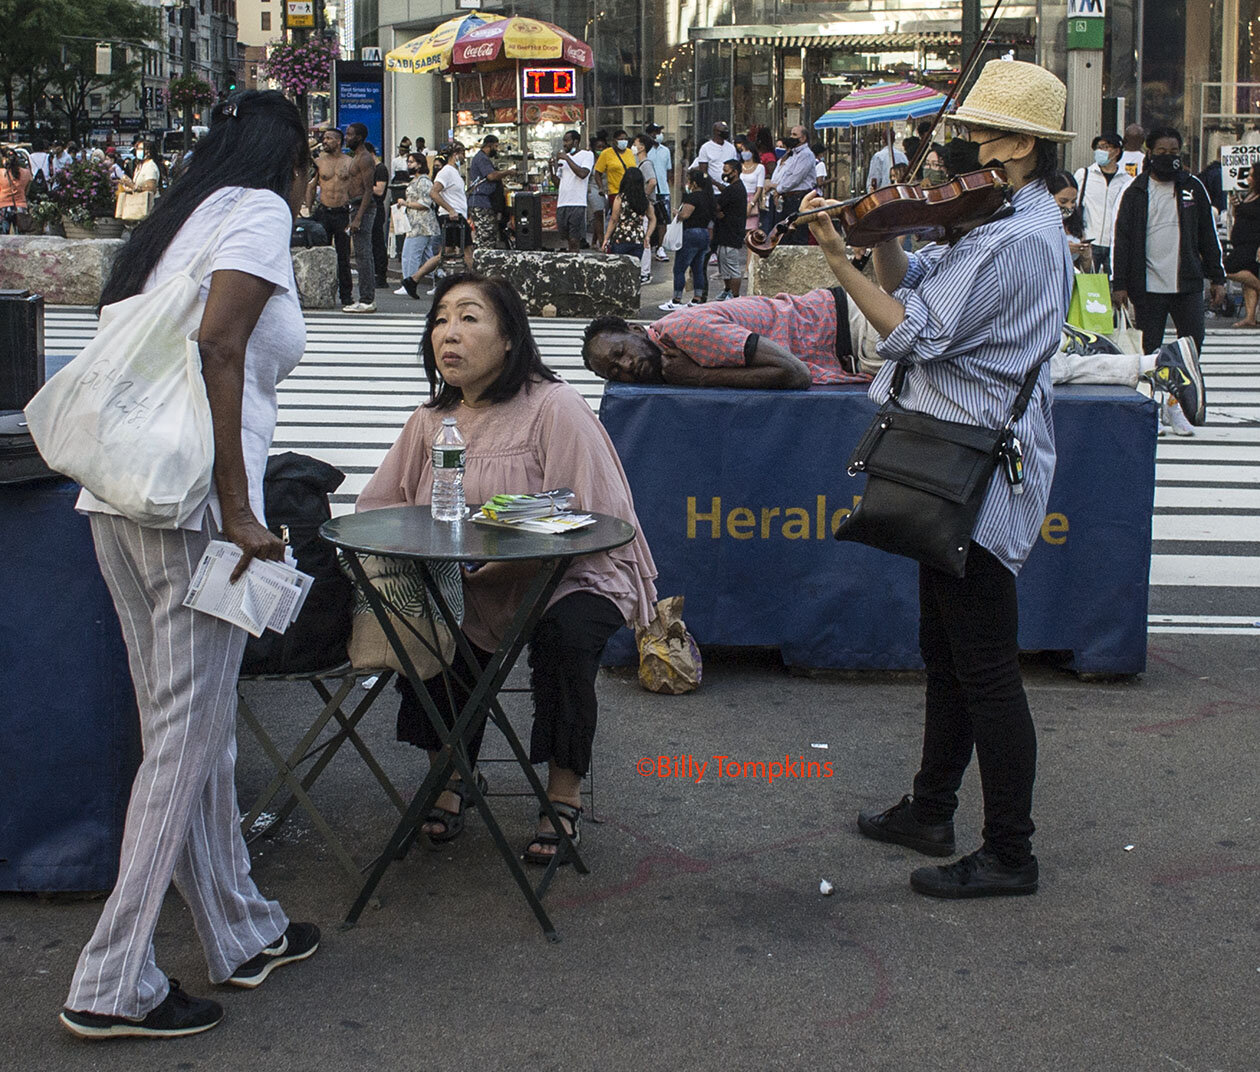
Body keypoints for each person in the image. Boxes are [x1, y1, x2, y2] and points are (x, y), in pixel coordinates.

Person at [59, 90, 320, 1042]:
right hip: (199, 509)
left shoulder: (184, 216)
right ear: (286, 158)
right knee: (183, 741)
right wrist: (243, 509)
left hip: (125, 500)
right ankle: (112, 976)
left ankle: (239, 927)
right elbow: (220, 343)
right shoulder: (259, 211)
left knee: (191, 730)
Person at [806, 59, 1081, 899]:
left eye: (984, 134)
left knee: (986, 666)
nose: (966, 149)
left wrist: (838, 263)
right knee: (946, 650)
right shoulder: (989, 223)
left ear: (1027, 146)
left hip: (979, 469)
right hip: (949, 456)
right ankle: (930, 807)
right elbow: (912, 286)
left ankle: (1010, 852)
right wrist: (879, 235)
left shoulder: (1018, 239)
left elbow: (909, 333)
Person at [357, 274, 657, 862]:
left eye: (470, 318)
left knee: (566, 638)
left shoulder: (554, 407)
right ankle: (453, 775)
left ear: (509, 338)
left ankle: (563, 794)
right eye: (441, 319)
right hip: (469, 577)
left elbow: (599, 521)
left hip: (568, 574)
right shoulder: (431, 420)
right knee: (428, 622)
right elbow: (379, 506)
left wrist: (509, 544)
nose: (450, 334)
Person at [1112, 126, 1221, 432]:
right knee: (1150, 350)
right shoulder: (1136, 192)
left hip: (1186, 283)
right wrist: (1119, 283)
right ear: (1150, 153)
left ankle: (1177, 405)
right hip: (1146, 286)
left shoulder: (1193, 188)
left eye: (1174, 153)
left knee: (1192, 344)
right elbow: (1123, 239)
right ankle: (1153, 404)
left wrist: (1217, 277)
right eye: (1162, 152)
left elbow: (1207, 236)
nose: (1169, 158)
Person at [585, 286, 880, 388]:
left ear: (636, 330)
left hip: (858, 332)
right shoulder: (665, 358)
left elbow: (795, 373)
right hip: (848, 348)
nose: (625, 366)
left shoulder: (685, 330)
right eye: (614, 372)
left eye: (620, 353)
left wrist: (699, 377)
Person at [305, 127, 356, 308]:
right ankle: (319, 293)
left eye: (328, 138)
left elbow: (357, 188)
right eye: (324, 138)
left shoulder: (350, 162)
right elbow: (311, 186)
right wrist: (308, 209)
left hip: (342, 213)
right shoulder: (319, 162)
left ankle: (346, 295)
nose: (324, 141)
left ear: (338, 141)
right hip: (323, 212)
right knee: (319, 254)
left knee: (343, 257)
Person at [1072, 132, 1130, 277]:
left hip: (1114, 244)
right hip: (1090, 241)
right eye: (1098, 147)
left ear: (1116, 151)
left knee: (1112, 288)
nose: (1100, 151)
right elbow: (1073, 205)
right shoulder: (1084, 175)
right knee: (1088, 286)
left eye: (1105, 147)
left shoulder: (1126, 181)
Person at [661, 168, 715, 311]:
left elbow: (685, 215)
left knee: (679, 268)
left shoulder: (692, 198)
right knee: (698, 268)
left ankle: (676, 299)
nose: (687, 183)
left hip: (691, 234)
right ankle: (697, 298)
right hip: (704, 234)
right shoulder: (709, 197)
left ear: (695, 183)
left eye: (689, 181)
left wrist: (677, 213)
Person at [342, 122, 378, 312]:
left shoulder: (364, 158)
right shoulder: (356, 157)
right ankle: (365, 297)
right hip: (355, 206)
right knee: (361, 255)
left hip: (363, 209)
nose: (346, 138)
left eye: (350, 135)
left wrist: (358, 218)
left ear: (360, 137)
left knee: (364, 255)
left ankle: (367, 299)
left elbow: (368, 190)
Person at [395, 153, 441, 299]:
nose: (409, 165)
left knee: (410, 254)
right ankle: (440, 281)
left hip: (421, 224)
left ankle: (408, 281)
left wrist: (406, 203)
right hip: (417, 223)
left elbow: (425, 203)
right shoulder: (415, 180)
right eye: (408, 162)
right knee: (427, 257)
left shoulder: (424, 181)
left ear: (420, 164)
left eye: (412, 162)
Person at [764, 125, 816, 244]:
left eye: (794, 135)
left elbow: (795, 178)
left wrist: (779, 189)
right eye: (791, 134)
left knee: (798, 234)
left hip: (798, 198)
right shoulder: (792, 154)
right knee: (783, 234)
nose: (791, 137)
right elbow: (785, 174)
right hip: (788, 197)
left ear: (803, 138)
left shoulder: (806, 155)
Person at [603, 165, 655, 283]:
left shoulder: (620, 198)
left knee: (618, 273)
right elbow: (652, 219)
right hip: (638, 240)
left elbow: (614, 220)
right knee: (633, 274)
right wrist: (647, 235)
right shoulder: (644, 200)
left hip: (620, 239)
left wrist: (606, 238)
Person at [1225, 162, 1260, 327]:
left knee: (1226, 268)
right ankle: (1250, 316)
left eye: (1251, 175)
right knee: (1247, 280)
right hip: (1241, 242)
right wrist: (1234, 206)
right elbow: (1240, 216)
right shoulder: (1249, 194)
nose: (1248, 179)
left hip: (1252, 244)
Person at [550, 130, 593, 253]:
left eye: (567, 140)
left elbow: (583, 173)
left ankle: (575, 261)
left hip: (577, 203)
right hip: (563, 202)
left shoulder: (586, 155)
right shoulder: (563, 159)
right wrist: (552, 167)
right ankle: (571, 258)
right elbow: (557, 182)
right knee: (566, 237)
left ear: (576, 142)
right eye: (563, 141)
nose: (564, 144)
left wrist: (567, 159)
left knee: (575, 238)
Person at [467, 134, 511, 251]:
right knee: (486, 234)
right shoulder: (482, 159)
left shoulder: (481, 158)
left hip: (483, 201)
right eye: (495, 146)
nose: (496, 149)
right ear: (489, 145)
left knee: (488, 233)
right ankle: (482, 262)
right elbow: (491, 176)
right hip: (480, 201)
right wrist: (508, 172)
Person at [713, 159, 749, 301]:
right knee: (724, 267)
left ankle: (735, 296)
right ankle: (727, 290)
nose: (724, 173)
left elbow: (718, 206)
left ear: (735, 172)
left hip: (731, 233)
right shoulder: (733, 188)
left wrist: (716, 211)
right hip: (724, 233)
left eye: (727, 170)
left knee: (732, 267)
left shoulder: (735, 189)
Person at [1049, 171, 1094, 271]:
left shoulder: (1075, 225)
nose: (1069, 206)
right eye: (1063, 201)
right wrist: (1062, 250)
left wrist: (1086, 256)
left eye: (1073, 201)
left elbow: (1086, 270)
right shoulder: (1040, 225)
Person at [645, 123, 673, 260]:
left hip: (663, 189)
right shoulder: (645, 151)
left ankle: (660, 247)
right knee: (649, 218)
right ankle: (647, 244)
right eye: (655, 132)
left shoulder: (665, 151)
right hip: (649, 190)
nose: (658, 135)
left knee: (663, 220)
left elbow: (668, 170)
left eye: (659, 132)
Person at [594, 130, 637, 215]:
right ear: (614, 141)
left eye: (625, 139)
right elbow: (598, 173)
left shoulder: (630, 153)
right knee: (617, 217)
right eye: (621, 139)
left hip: (631, 192)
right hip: (615, 192)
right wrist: (601, 187)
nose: (623, 141)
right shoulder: (606, 153)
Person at [368, 142, 390, 287]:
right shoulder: (369, 169)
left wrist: (364, 184)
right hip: (368, 207)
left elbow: (379, 190)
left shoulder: (380, 169)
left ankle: (380, 274)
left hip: (377, 207)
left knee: (377, 241)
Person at [691, 121, 738, 185]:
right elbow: (703, 171)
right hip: (713, 189)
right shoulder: (706, 148)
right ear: (716, 132)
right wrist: (714, 183)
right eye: (723, 131)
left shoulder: (731, 148)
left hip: (728, 188)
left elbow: (734, 166)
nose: (725, 133)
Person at [0, 147, 32, 234]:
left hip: (3, 207)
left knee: (2, 237)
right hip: (20, 207)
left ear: (4, 159)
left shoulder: (1, 173)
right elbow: (27, 191)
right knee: (20, 237)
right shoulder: (26, 173)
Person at [587, 131, 608, 248]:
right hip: (594, 188)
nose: (601, 150)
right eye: (598, 147)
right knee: (598, 213)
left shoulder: (608, 157)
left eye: (603, 147)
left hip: (607, 188)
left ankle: (594, 240)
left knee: (600, 216)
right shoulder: (590, 159)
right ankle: (601, 241)